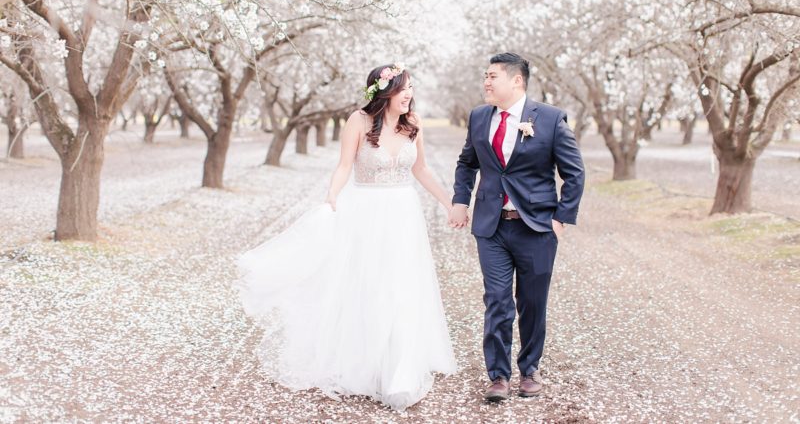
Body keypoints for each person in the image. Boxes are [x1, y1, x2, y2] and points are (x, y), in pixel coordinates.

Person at [236, 64, 456, 411]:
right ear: (383, 92)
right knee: (368, 285)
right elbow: (343, 166)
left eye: (411, 88)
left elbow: (421, 169)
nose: (409, 95)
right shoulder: (358, 121)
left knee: (401, 287)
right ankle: (362, 363)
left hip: (403, 215)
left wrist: (448, 203)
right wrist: (332, 196)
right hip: (366, 213)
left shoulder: (413, 124)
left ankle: (398, 370)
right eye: (402, 89)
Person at [448, 52, 585, 402]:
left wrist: (560, 218)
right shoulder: (479, 117)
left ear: (517, 81)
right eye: (485, 76)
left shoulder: (551, 119)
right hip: (491, 227)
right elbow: (467, 163)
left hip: (536, 227)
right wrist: (460, 200)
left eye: (493, 76)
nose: (486, 82)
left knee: (532, 302)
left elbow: (574, 173)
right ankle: (498, 376)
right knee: (496, 301)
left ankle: (529, 370)